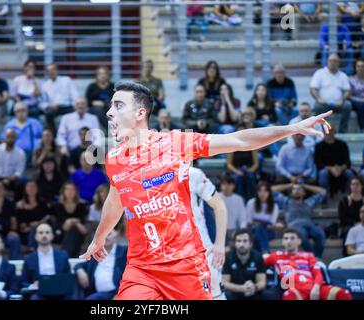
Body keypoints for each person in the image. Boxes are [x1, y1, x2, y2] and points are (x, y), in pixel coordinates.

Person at [80, 81, 333, 300]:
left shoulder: (175, 143)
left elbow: (240, 140)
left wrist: (292, 128)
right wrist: (99, 238)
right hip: (142, 268)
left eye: (118, 105)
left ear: (140, 113)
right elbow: (115, 202)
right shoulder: (114, 159)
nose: (110, 112)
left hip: (185, 266)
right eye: (111, 106)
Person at [264, 228, 352, 300]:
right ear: (282, 242)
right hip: (295, 290)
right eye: (286, 238)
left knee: (343, 293)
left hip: (314, 287)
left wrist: (316, 288)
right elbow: (259, 262)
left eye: (292, 238)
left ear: (299, 241)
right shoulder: (275, 257)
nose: (288, 241)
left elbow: (318, 273)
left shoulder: (308, 256)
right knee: (289, 296)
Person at [188, 166, 228, 300]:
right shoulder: (147, 177)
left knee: (216, 295)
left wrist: (219, 244)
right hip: (170, 255)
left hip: (203, 249)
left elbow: (219, 206)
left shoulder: (192, 174)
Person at [272, 183, 327, 258]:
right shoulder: (286, 202)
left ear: (304, 193)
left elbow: (323, 192)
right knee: (302, 236)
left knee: (320, 234)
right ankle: (311, 257)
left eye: (299, 189)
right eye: (294, 189)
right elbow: (271, 190)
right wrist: (290, 185)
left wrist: (305, 185)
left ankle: (318, 257)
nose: (296, 191)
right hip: (294, 226)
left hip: (309, 225)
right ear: (291, 192)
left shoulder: (308, 202)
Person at [21, 223, 73, 300]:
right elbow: (23, 282)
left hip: (60, 292)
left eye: (47, 232)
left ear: (52, 236)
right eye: (41, 233)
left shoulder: (63, 256)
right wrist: (33, 286)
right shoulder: (28, 258)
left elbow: (68, 278)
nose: (44, 235)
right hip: (38, 293)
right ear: (35, 236)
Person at [75, 229, 127, 300]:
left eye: (109, 234)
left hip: (118, 292)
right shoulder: (96, 252)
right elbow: (79, 265)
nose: (106, 237)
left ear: (116, 236)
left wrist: (119, 293)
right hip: (96, 293)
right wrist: (80, 271)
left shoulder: (124, 251)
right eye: (103, 234)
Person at [222, 230, 272, 300]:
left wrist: (254, 287)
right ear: (235, 243)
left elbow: (262, 282)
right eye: (238, 241)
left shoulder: (258, 257)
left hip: (252, 291)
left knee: (268, 295)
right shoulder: (228, 257)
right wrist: (241, 288)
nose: (241, 244)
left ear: (251, 244)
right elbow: (224, 283)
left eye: (245, 241)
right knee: (225, 295)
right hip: (234, 292)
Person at [310, 53, 352, 133]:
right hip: (323, 103)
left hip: (339, 104)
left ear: (338, 63)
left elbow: (347, 91)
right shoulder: (319, 73)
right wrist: (319, 99)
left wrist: (342, 100)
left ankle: (342, 131)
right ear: (327, 62)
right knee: (317, 106)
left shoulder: (343, 75)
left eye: (335, 61)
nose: (333, 63)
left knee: (347, 105)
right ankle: (322, 131)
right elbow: (313, 89)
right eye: (331, 61)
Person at [56, 97, 101, 169]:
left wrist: (94, 148)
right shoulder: (66, 118)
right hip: (71, 151)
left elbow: (97, 136)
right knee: (63, 154)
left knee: (99, 154)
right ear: (74, 106)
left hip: (88, 150)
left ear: (86, 106)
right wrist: (63, 145)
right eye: (78, 104)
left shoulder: (93, 118)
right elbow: (60, 136)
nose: (80, 106)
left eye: (83, 104)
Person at [314, 125, 354, 196]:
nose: (329, 132)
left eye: (331, 130)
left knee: (349, 173)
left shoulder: (342, 144)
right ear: (323, 132)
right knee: (323, 174)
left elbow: (347, 161)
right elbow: (318, 163)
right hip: (326, 169)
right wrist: (331, 169)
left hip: (341, 169)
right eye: (327, 130)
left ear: (335, 132)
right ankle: (323, 198)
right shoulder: (318, 146)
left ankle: (351, 195)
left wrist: (340, 168)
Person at [52, 182, 89, 257]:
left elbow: (84, 230)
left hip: (79, 233)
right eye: (67, 189)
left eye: (72, 189)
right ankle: (73, 257)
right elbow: (65, 227)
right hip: (60, 233)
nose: (70, 192)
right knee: (73, 231)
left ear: (76, 192)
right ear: (63, 192)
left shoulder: (82, 205)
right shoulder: (57, 205)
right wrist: (75, 222)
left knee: (74, 230)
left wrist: (73, 222)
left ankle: (66, 256)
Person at [40, 63, 78, 133]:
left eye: (53, 69)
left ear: (57, 70)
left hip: (67, 107)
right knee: (49, 115)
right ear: (47, 73)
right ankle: (54, 137)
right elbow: (42, 102)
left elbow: (75, 95)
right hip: (54, 108)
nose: (51, 72)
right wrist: (48, 105)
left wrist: (76, 106)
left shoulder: (67, 80)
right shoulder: (44, 85)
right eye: (49, 70)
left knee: (76, 112)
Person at [246, 182, 283, 253]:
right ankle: (265, 251)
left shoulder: (274, 206)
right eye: (260, 191)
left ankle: (261, 252)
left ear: (269, 192)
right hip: (253, 229)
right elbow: (248, 221)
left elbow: (272, 224)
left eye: (265, 191)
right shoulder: (251, 203)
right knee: (258, 229)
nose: (262, 193)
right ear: (257, 192)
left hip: (268, 231)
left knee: (260, 230)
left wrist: (260, 222)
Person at [16, 180, 51, 249]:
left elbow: (47, 218)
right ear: (25, 189)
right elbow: (19, 224)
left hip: (40, 231)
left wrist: (37, 224)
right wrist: (29, 227)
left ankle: (32, 249)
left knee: (36, 230)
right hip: (24, 232)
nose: (31, 188)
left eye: (33, 186)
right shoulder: (19, 205)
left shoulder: (43, 203)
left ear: (37, 189)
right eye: (29, 186)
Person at [218, 174, 248, 243]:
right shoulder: (215, 198)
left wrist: (241, 232)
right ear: (220, 185)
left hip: (234, 231)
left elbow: (242, 218)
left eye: (229, 184)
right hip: (218, 231)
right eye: (224, 184)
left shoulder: (239, 199)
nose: (226, 187)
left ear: (233, 186)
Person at [338, 177, 364, 252]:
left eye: (357, 184)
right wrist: (355, 223)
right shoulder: (344, 201)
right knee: (349, 230)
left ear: (362, 186)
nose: (355, 186)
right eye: (353, 184)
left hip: (362, 224)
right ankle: (347, 254)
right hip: (348, 225)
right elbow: (342, 218)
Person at [85, 66, 114, 131]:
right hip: (94, 110)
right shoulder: (92, 87)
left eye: (104, 73)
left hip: (109, 109)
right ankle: (109, 129)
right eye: (100, 74)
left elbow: (117, 101)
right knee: (98, 109)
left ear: (108, 75)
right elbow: (86, 101)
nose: (102, 76)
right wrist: (93, 102)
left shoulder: (113, 87)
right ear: (96, 76)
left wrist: (104, 104)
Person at [349, 58, 364, 132]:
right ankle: (362, 128)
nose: (360, 68)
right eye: (358, 66)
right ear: (355, 68)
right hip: (355, 102)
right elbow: (349, 96)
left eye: (362, 66)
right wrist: (360, 100)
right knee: (361, 106)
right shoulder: (351, 80)